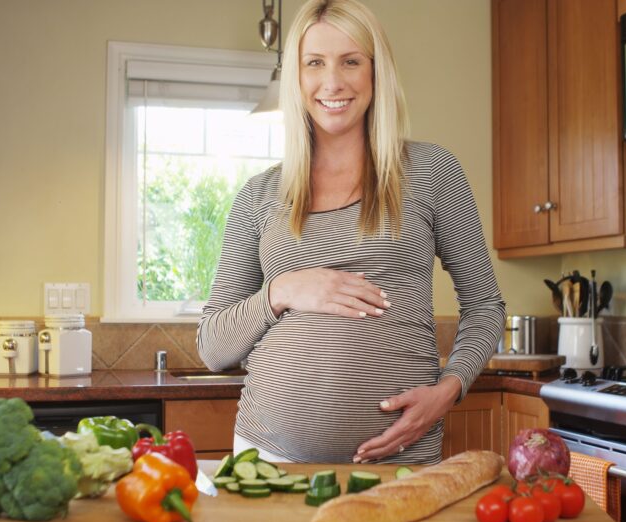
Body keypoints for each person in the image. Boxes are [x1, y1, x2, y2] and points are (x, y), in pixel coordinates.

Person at [197, 0, 504, 464]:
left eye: (351, 61)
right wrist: (281, 290)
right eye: (314, 63)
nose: (333, 82)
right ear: (297, 79)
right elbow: (213, 347)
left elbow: (485, 305)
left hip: (402, 458)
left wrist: (448, 390)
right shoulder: (258, 197)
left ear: (377, 74)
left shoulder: (432, 172)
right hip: (271, 457)